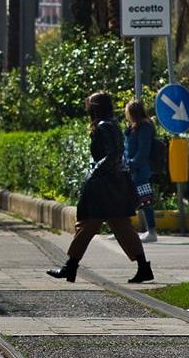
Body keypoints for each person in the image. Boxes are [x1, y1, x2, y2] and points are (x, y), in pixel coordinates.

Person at [46, 91, 154, 284]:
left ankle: (70, 267)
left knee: (89, 224)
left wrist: (95, 171)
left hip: (105, 186)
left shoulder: (104, 126)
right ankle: (143, 267)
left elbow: (113, 154)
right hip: (114, 184)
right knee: (119, 226)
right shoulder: (112, 124)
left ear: (95, 109)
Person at [124, 99, 158, 243]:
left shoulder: (144, 127)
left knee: (145, 200)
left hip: (140, 170)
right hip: (131, 169)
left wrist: (132, 164)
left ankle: (152, 231)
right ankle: (123, 229)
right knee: (125, 199)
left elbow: (143, 150)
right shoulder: (133, 126)